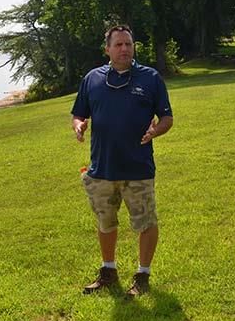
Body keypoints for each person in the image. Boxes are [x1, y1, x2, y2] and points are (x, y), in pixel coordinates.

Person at [71, 24, 173, 297]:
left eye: (128, 44)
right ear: (107, 49)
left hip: (138, 168)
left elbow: (166, 118)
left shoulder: (150, 78)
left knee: (146, 223)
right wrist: (79, 125)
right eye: (118, 44)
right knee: (106, 223)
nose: (125, 49)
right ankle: (108, 272)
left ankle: (142, 275)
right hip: (101, 169)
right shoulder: (92, 79)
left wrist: (155, 130)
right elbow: (79, 113)